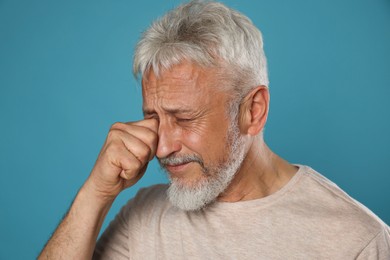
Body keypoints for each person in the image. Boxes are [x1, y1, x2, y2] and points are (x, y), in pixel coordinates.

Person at [39, 1, 390, 259]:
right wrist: (96, 194)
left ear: (253, 110)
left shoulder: (358, 240)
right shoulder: (143, 216)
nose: (162, 148)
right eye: (154, 117)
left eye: (185, 118)